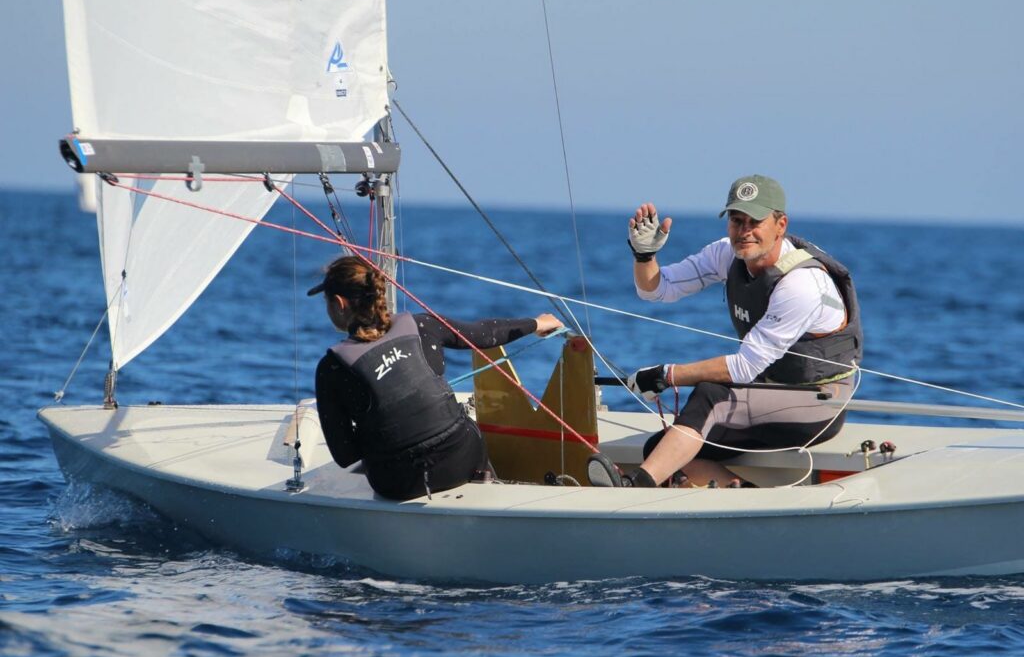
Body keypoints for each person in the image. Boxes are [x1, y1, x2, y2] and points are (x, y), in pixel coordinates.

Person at [588, 174, 863, 488]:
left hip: (818, 406)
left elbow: (743, 367)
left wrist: (666, 375)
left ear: (780, 225)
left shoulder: (801, 284)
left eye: (755, 222)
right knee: (660, 449)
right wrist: (644, 255)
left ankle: (634, 487)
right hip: (766, 394)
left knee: (711, 395)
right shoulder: (726, 254)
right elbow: (658, 289)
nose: (744, 232)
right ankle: (750, 497)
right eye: (736, 221)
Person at [310, 255, 564, 500]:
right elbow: (484, 333)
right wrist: (535, 323)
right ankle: (490, 486)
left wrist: (383, 428)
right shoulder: (421, 326)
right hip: (462, 460)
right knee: (460, 427)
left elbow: (345, 455)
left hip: (400, 483)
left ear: (339, 304)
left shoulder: (332, 367)